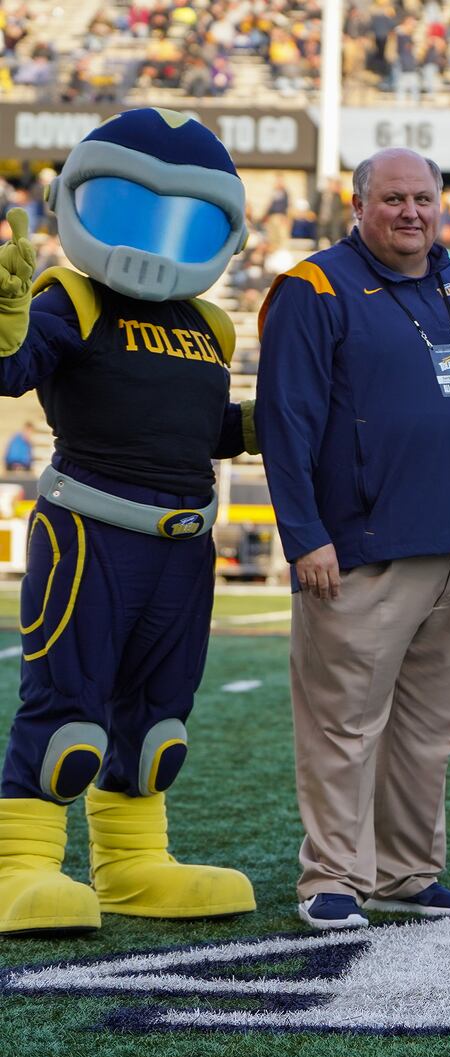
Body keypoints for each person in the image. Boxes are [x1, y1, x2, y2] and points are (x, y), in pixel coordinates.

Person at [255, 147, 450, 931]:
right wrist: (305, 534)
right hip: (364, 546)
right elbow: (286, 418)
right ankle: (335, 876)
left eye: (422, 197)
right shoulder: (313, 287)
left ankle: (408, 871)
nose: (410, 211)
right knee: (344, 722)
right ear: (357, 205)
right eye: (393, 199)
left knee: (428, 730)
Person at [0, 109, 256, 935]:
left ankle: (134, 865)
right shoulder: (69, 294)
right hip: (90, 533)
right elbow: (14, 371)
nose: (152, 239)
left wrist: (284, 413)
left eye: (181, 218)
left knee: (155, 726)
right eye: (127, 208)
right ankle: (20, 867)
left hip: (183, 543)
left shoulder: (210, 324)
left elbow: (203, 429)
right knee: (68, 713)